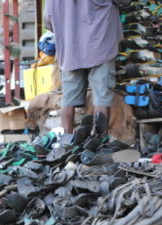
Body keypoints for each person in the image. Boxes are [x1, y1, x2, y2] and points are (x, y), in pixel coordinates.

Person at [44, 0, 131, 135]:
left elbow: (48, 20)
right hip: (100, 44)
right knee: (102, 96)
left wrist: (69, 25)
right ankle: (98, 139)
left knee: (68, 98)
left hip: (71, 47)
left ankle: (67, 140)